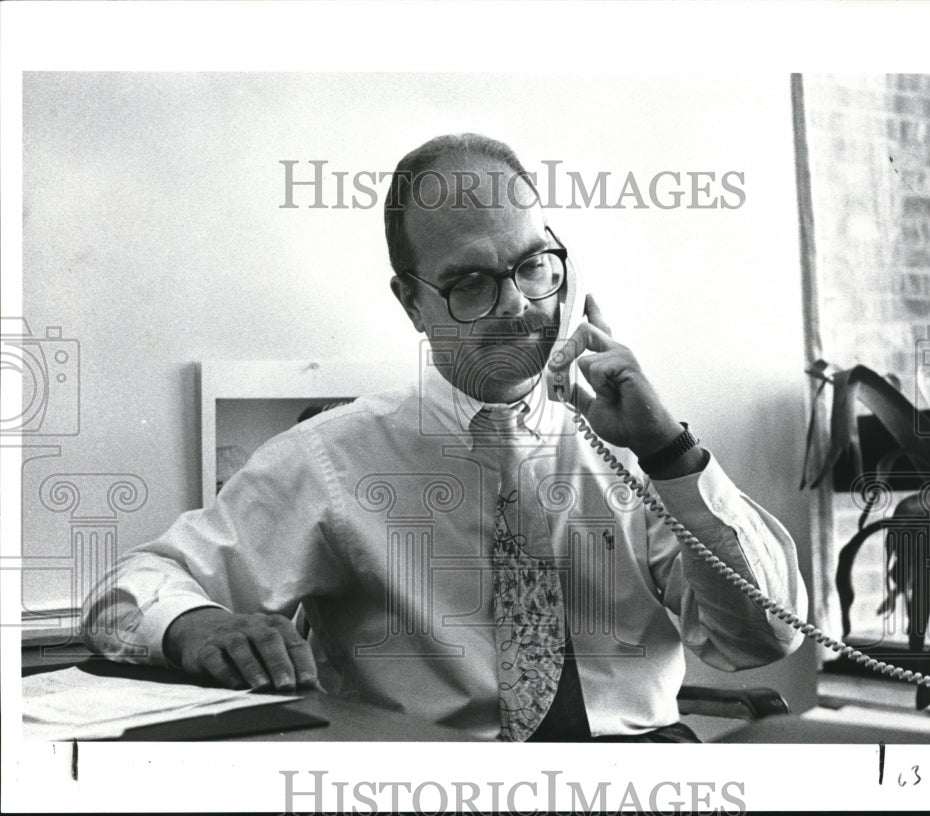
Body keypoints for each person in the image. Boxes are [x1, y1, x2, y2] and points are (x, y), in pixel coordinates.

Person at [82, 133, 807, 742]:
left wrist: (672, 455)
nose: (519, 305)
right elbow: (127, 589)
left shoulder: (634, 446)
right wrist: (195, 625)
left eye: (533, 266)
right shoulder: (333, 459)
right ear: (412, 303)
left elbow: (763, 641)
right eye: (470, 283)